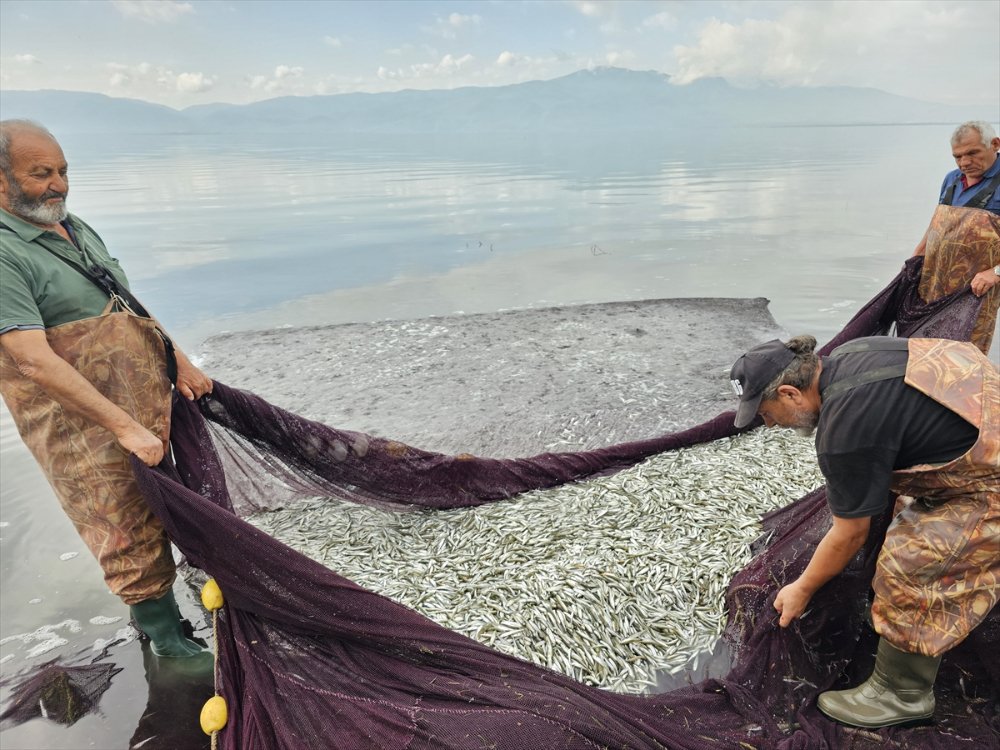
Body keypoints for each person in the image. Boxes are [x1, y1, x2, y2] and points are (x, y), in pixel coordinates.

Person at [0, 120, 211, 658]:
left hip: (141, 401)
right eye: (41, 174)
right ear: (1, 182)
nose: (59, 185)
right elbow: (32, 361)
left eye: (64, 170)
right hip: (81, 427)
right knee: (118, 522)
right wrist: (123, 426)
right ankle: (165, 642)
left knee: (168, 503)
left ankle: (180, 612)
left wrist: (179, 360)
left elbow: (126, 303)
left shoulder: (75, 227)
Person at [729, 334, 998, 728]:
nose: (768, 425)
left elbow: (850, 535)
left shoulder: (842, 434)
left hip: (990, 482)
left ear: (789, 394)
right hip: (985, 416)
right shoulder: (857, 351)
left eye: (765, 413)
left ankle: (901, 694)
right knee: (908, 509)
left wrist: (802, 588)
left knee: (909, 560)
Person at [910, 120, 1000, 299]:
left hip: (982, 289)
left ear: (995, 144)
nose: (965, 162)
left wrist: (995, 272)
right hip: (941, 285)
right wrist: (914, 258)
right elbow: (937, 225)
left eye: (973, 153)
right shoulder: (951, 179)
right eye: (958, 156)